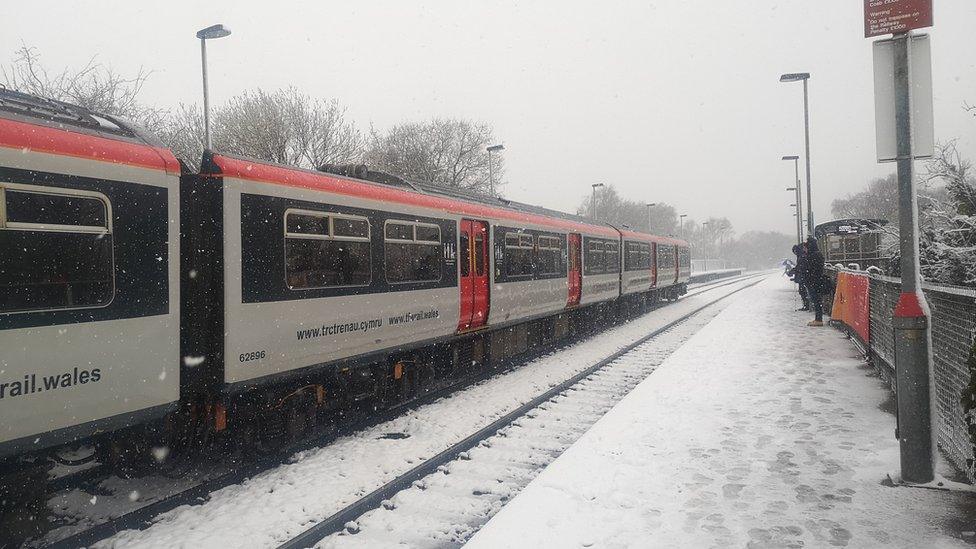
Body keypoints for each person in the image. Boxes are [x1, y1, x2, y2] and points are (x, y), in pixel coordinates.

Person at [803, 236, 826, 326]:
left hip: (814, 282)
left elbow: (811, 269)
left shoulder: (813, 256)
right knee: (816, 301)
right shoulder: (816, 255)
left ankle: (818, 320)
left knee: (816, 300)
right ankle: (818, 319)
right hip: (814, 281)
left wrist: (809, 280)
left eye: (805, 247)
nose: (804, 249)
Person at [788, 244, 810, 311]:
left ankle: (806, 306)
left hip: (803, 277)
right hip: (803, 277)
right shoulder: (801, 255)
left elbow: (800, 267)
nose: (794, 253)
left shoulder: (801, 256)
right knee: (803, 291)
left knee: (803, 291)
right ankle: (806, 305)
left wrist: (793, 271)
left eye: (794, 252)